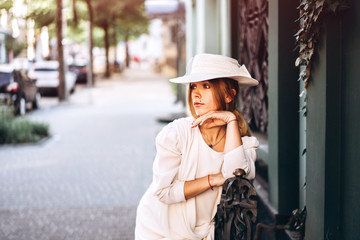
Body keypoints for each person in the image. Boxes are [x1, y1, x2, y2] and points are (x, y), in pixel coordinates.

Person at [135, 53, 259, 240]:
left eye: (206, 86)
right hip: (159, 229)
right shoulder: (177, 133)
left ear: (228, 95)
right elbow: (163, 192)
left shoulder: (243, 144)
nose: (196, 94)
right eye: (193, 86)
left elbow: (236, 175)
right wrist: (214, 179)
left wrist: (231, 120)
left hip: (202, 233)